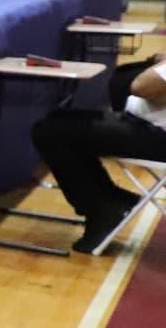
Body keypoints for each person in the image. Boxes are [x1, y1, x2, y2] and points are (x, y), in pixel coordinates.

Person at [31, 52, 166, 252]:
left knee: (50, 131)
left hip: (157, 136)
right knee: (57, 120)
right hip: (146, 125)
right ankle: (108, 200)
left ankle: (103, 208)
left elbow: (141, 87)